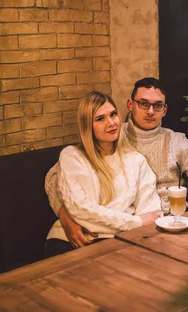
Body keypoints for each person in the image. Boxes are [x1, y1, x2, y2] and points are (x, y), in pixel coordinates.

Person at [49, 78, 188, 248]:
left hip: (165, 222)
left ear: (165, 110)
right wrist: (66, 218)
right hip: (124, 227)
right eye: (144, 104)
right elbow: (54, 179)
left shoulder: (176, 142)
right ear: (130, 105)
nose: (150, 111)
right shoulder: (112, 136)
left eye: (158, 105)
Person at [44, 91, 161, 256]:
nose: (111, 123)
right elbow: (83, 211)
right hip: (72, 242)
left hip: (122, 240)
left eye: (113, 114)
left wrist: (138, 224)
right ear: (87, 126)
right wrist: (136, 222)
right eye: (100, 119)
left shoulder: (136, 160)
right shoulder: (73, 157)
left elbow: (150, 211)